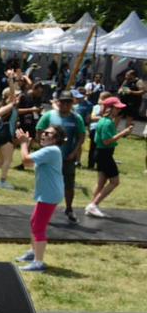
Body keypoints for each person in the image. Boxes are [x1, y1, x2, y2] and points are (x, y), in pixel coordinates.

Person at [15, 125, 65, 272]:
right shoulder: (48, 151)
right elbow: (30, 164)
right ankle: (33, 252)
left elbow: (25, 160)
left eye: (48, 133)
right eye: (44, 132)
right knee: (34, 222)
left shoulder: (52, 150)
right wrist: (27, 144)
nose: (43, 135)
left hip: (49, 194)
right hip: (47, 193)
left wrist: (24, 143)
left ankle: (38, 263)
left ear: (55, 139)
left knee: (39, 227)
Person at [35, 91, 87, 222]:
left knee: (69, 185)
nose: (65, 105)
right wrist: (43, 147)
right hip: (51, 158)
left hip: (67, 157)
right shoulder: (49, 115)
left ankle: (69, 208)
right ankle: (44, 210)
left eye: (68, 102)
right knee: (48, 184)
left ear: (72, 103)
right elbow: (39, 129)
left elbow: (81, 136)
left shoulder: (76, 118)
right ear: (58, 102)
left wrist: (74, 152)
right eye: (62, 102)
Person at [86, 96, 131, 218]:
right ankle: (93, 205)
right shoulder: (106, 123)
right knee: (115, 182)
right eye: (116, 108)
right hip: (105, 154)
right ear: (110, 109)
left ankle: (91, 205)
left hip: (100, 153)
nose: (119, 110)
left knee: (101, 182)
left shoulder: (103, 121)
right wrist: (123, 133)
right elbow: (107, 141)